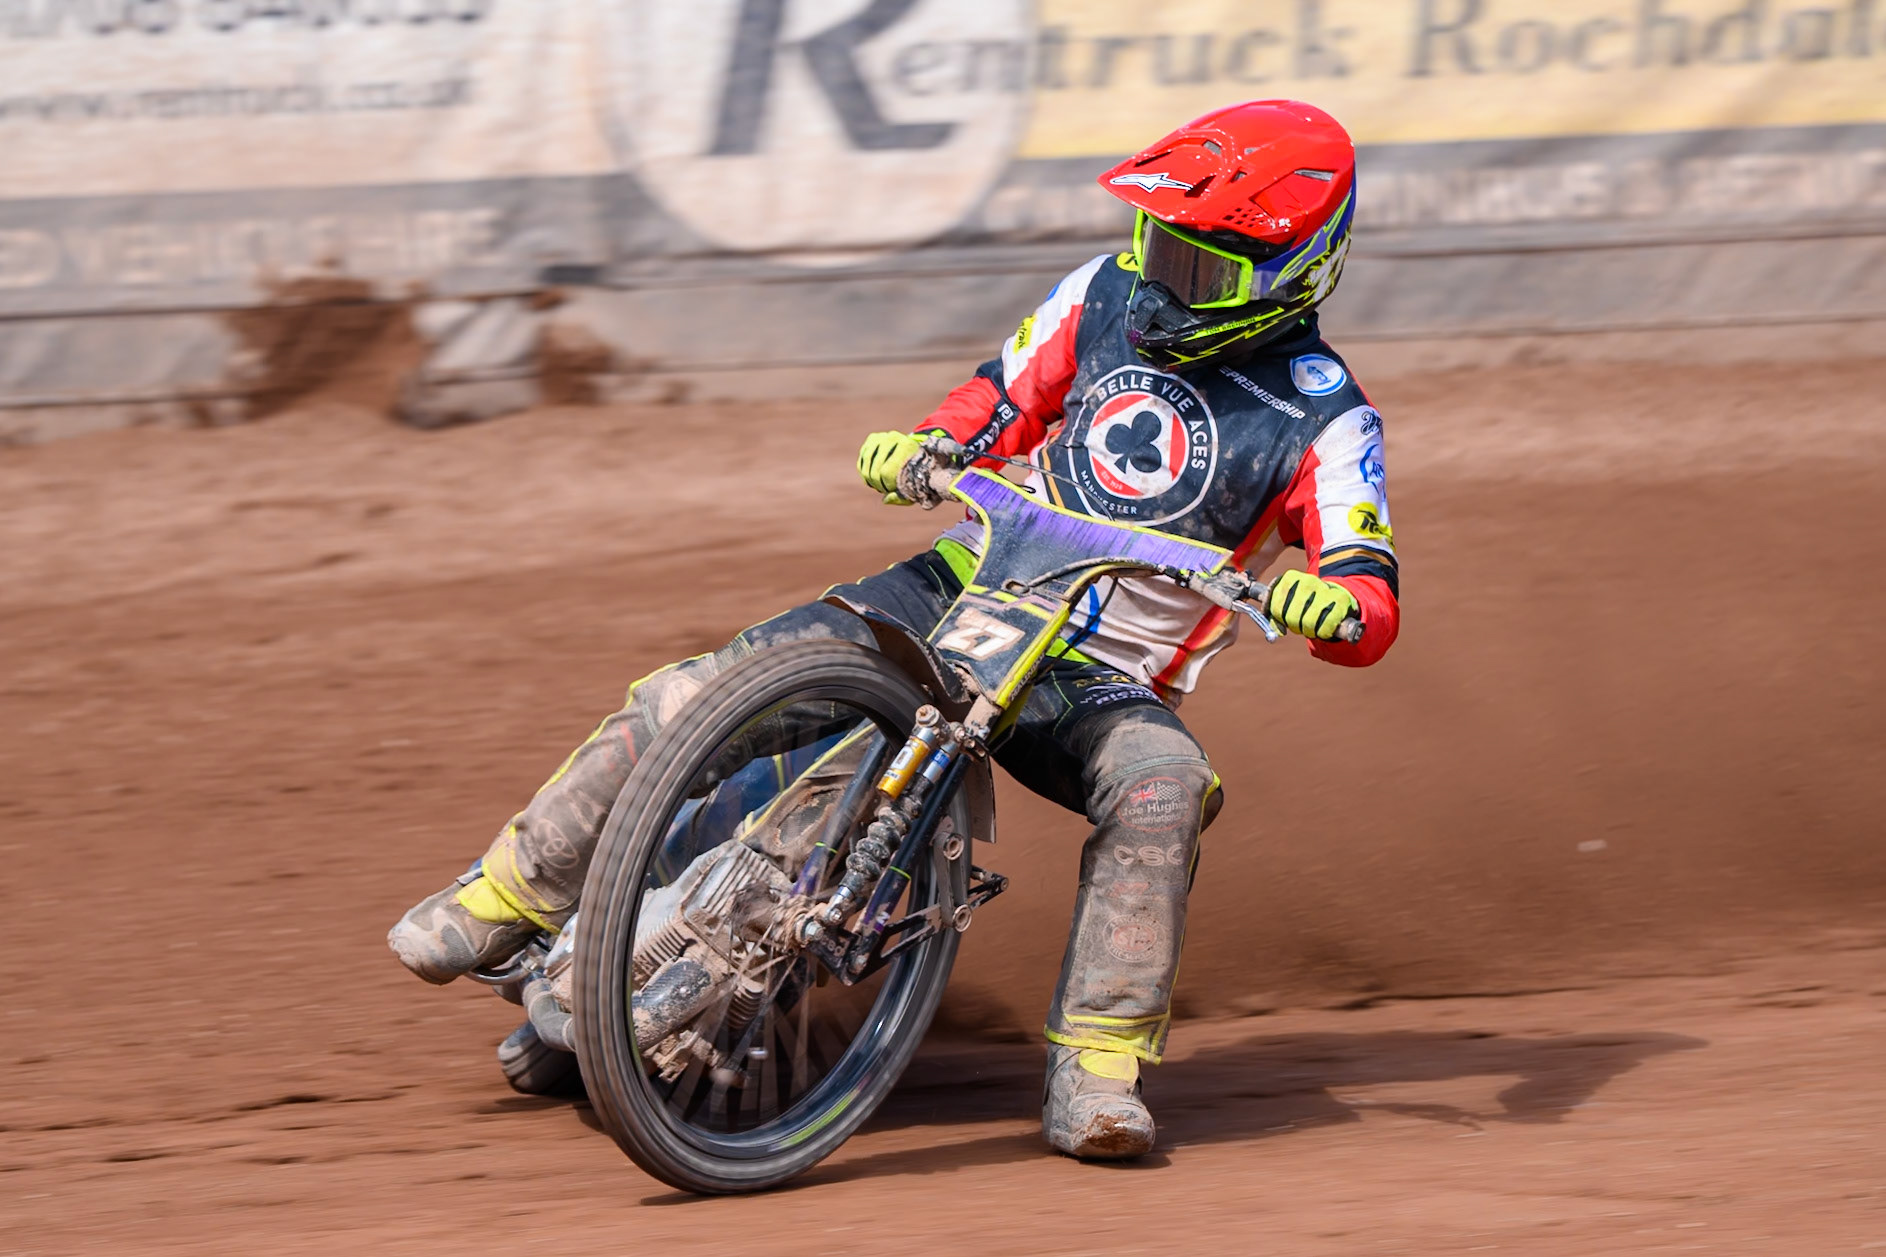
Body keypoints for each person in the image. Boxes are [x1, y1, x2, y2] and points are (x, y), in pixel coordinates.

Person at [388, 98, 1400, 1161]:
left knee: (1163, 789)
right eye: (1161, 244)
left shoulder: (1327, 418)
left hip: (1095, 673)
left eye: (1202, 268)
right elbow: (1001, 394)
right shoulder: (1101, 291)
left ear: (1295, 269)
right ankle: (507, 893)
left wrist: (1331, 606)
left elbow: (1366, 586)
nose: (1163, 277)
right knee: (707, 690)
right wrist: (927, 443)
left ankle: (1096, 1066)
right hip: (963, 579)